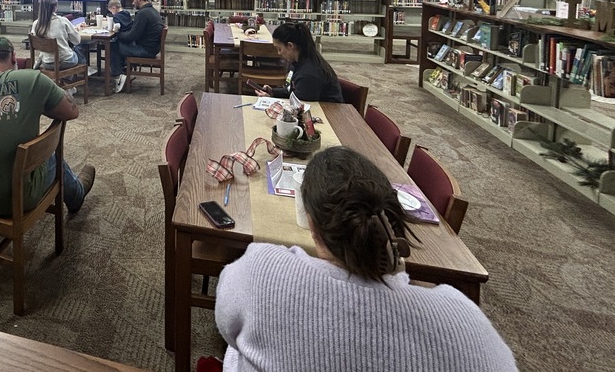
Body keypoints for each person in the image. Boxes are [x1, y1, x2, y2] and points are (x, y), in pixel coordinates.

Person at [214, 147, 517, 372]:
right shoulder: (463, 319)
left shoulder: (262, 270)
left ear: (312, 225)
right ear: (394, 219)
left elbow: (227, 325)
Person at [0, 37, 95, 219]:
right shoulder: (32, 79)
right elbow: (72, 112)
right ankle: (76, 195)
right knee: (51, 158)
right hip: (16, 198)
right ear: (14, 58)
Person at [251, 21, 343, 103]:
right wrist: (273, 92)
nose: (279, 53)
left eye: (279, 49)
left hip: (327, 113)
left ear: (290, 46)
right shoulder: (297, 61)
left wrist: (271, 100)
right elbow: (294, 92)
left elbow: (300, 105)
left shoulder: (309, 73)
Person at [110, 0, 164, 93]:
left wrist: (118, 34)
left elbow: (132, 36)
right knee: (121, 43)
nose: (133, 2)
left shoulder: (143, 14)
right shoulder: (153, 11)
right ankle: (122, 71)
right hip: (153, 47)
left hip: (146, 50)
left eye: (134, 0)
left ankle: (118, 76)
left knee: (113, 45)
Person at [31, 0, 85, 68]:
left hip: (47, 63)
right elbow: (77, 41)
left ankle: (67, 77)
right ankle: (83, 73)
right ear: (54, 8)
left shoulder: (36, 24)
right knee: (78, 50)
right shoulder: (62, 21)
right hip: (65, 62)